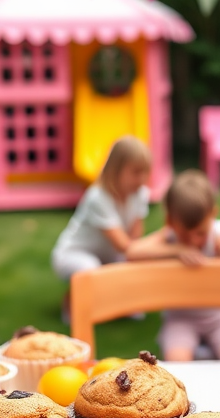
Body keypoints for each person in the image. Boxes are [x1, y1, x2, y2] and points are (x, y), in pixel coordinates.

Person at [126, 170, 220, 361]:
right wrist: (176, 249)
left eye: (200, 233)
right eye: (186, 235)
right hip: (181, 317)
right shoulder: (170, 236)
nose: (193, 241)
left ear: (213, 215)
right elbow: (133, 252)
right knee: (176, 361)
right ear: (170, 222)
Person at [51, 136, 152, 322]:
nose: (142, 179)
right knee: (89, 268)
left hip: (109, 254)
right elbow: (123, 245)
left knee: (132, 264)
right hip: (74, 253)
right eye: (136, 172)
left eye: (145, 172)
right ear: (116, 170)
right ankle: (71, 302)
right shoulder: (98, 198)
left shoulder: (140, 194)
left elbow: (135, 239)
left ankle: (118, 301)